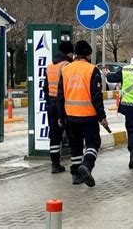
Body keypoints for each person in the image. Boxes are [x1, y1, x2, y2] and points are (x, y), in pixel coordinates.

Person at [57, 40, 108, 187]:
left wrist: (61, 117)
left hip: (71, 116)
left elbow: (60, 96)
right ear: (87, 54)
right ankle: (87, 165)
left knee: (76, 146)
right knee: (93, 143)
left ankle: (76, 175)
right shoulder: (92, 70)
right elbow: (96, 96)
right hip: (89, 115)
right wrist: (102, 116)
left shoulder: (66, 69)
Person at [43, 41, 74, 174]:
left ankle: (55, 164)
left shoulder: (49, 66)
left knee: (54, 135)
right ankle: (76, 164)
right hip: (64, 103)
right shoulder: (66, 66)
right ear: (69, 53)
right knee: (72, 134)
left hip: (51, 103)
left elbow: (45, 87)